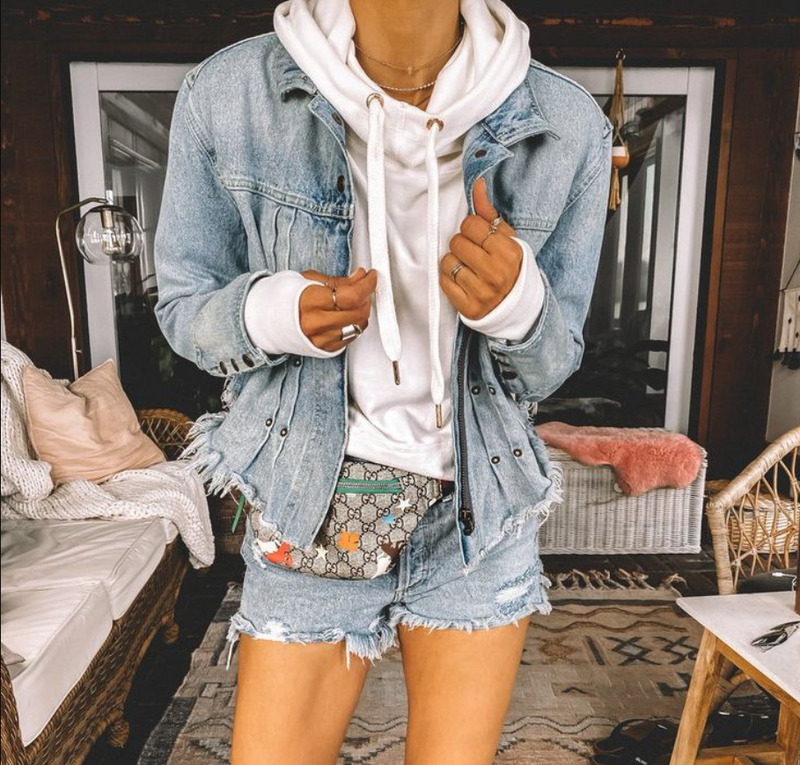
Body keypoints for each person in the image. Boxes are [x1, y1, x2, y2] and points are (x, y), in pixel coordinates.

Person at [154, 0, 612, 761]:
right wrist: (273, 312)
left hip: (479, 504)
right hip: (315, 495)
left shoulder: (567, 125)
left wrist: (519, 308)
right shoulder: (231, 94)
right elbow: (183, 306)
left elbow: (552, 361)